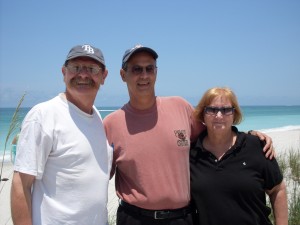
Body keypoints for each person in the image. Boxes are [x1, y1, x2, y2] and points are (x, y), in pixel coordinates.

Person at [103, 44, 275, 225]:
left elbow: (214, 136)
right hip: (134, 218)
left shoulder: (181, 107)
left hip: (182, 219)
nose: (144, 75)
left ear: (156, 72)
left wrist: (248, 138)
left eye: (149, 68)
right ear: (123, 75)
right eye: (137, 69)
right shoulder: (111, 123)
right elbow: (98, 177)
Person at [11, 44, 113, 225]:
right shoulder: (43, 115)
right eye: (75, 68)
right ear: (63, 72)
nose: (83, 74)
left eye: (91, 69)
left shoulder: (96, 115)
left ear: (103, 76)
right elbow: (21, 184)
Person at [190, 87, 288, 225]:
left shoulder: (256, 146)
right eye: (212, 109)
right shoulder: (191, 154)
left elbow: (277, 189)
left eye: (226, 110)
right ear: (203, 114)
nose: (219, 115)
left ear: (234, 114)